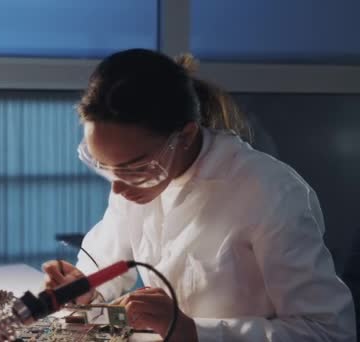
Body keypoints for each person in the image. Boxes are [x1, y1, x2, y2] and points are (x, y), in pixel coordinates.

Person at [41, 49, 356, 341]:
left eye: (133, 168)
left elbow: (329, 330)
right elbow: (106, 263)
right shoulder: (138, 179)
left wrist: (193, 331)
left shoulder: (270, 193)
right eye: (105, 167)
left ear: (186, 136)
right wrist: (82, 287)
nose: (118, 188)